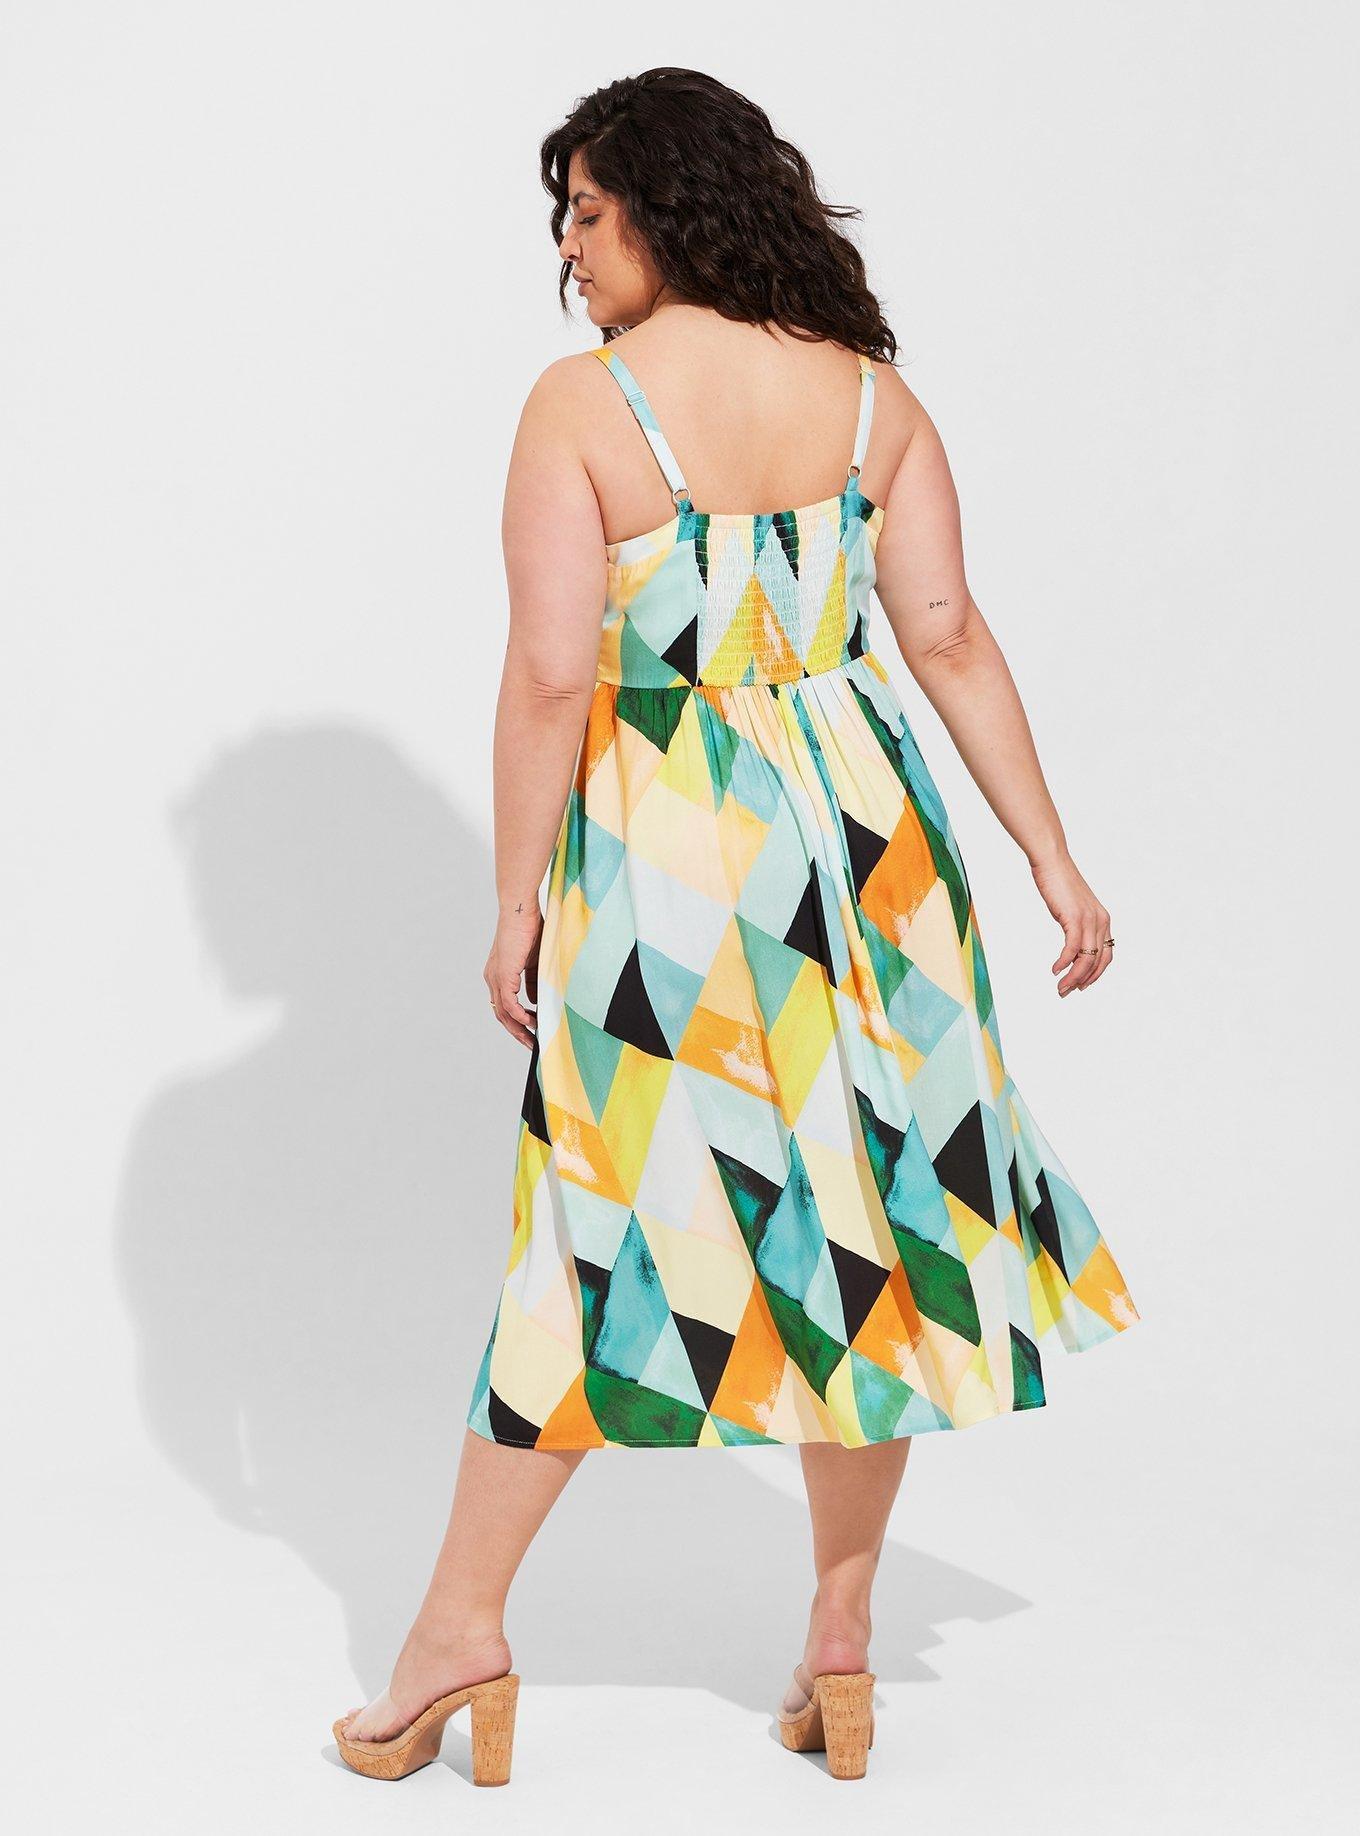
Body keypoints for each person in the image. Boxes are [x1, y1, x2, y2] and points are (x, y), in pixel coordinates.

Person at [333, 66, 1139, 1787]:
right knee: (869, 1225)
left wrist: (513, 897)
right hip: (871, 857)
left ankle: (458, 1632)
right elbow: (949, 636)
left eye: (586, 210)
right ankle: (840, 1636)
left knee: (595, 1226)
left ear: (664, 204)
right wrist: (1050, 857)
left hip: (675, 863)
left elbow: (553, 673)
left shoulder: (585, 406)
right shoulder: (867, 397)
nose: (568, 247)